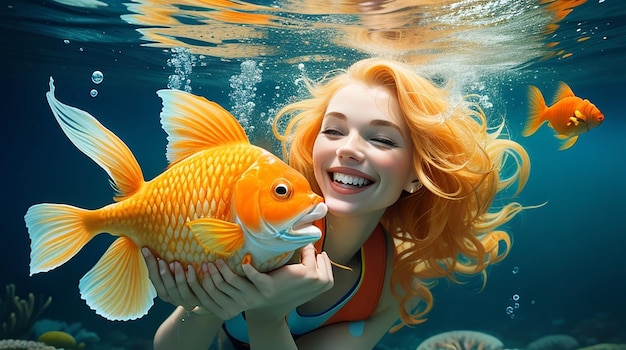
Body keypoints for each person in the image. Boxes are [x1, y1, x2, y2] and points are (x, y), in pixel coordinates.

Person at [141, 57, 531, 349]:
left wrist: (267, 316)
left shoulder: (387, 286)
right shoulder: (264, 222)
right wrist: (204, 304)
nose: (348, 149)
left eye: (382, 139)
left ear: (418, 173)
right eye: (334, 130)